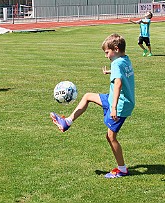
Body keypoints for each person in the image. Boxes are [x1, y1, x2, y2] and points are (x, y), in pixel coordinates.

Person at [50, 33, 135, 179]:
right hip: (117, 100)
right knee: (88, 96)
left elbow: (119, 83)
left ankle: (122, 169)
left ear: (115, 49)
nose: (106, 56)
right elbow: (123, 74)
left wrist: (113, 107)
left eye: (107, 52)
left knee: (111, 137)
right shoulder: (124, 60)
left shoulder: (116, 63)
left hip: (120, 104)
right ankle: (67, 122)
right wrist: (110, 72)